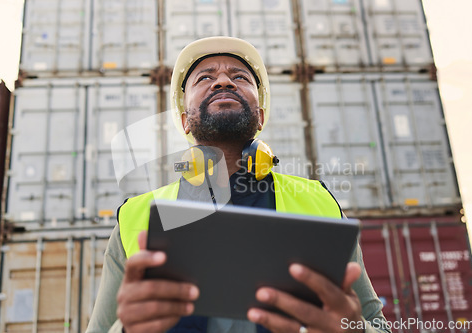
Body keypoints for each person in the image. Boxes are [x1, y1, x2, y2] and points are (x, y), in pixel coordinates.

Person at [86, 36, 391, 333]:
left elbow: (377, 326)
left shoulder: (318, 202)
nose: (223, 82)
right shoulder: (136, 218)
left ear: (260, 116)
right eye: (205, 78)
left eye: (240, 77)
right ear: (184, 121)